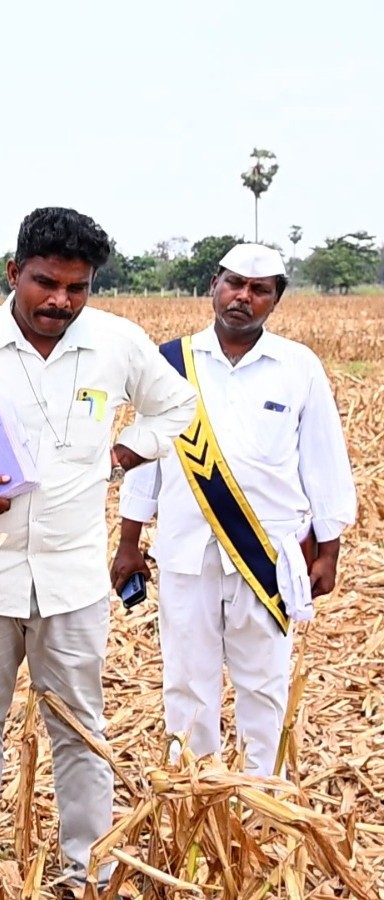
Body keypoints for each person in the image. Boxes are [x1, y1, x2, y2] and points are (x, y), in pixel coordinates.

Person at [0, 207, 197, 890]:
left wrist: (125, 454)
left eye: (78, 288)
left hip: (73, 576)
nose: (60, 301)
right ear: (13, 271)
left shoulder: (117, 342)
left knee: (79, 728)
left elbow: (179, 408)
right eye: (46, 283)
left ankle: (88, 870)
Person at [112, 243, 357, 777]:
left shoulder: (299, 367)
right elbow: (147, 456)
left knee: (263, 684)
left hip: (267, 554)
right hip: (185, 551)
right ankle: (193, 795)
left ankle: (258, 798)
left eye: (259, 289)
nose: (242, 297)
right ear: (213, 286)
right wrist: (129, 543)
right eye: (233, 284)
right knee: (186, 681)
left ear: (275, 299)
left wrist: (329, 550)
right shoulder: (170, 362)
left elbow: (324, 462)